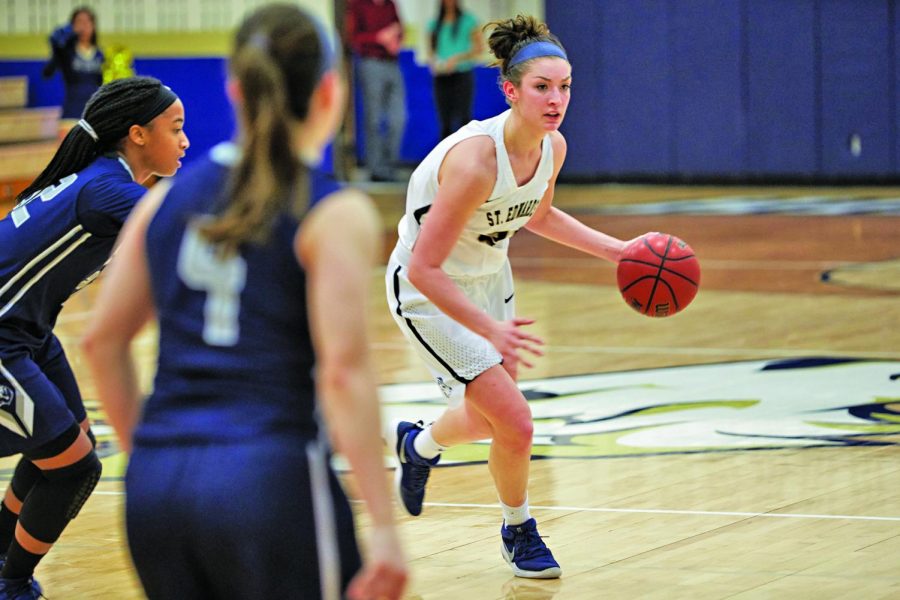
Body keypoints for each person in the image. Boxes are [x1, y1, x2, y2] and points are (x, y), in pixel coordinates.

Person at [81, 5, 407, 600]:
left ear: (234, 89)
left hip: (159, 488)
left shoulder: (162, 202)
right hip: (268, 477)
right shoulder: (332, 209)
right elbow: (343, 373)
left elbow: (102, 342)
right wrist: (384, 527)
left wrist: (151, 457)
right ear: (330, 92)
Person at [385, 15, 640, 579]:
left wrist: (617, 250)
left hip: (487, 282)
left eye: (565, 86)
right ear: (510, 90)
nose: (556, 99)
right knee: (517, 423)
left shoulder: (553, 148)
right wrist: (491, 330)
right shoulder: (476, 161)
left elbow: (539, 214)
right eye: (542, 87)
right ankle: (518, 529)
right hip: (428, 292)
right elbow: (425, 267)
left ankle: (419, 446)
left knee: (487, 423)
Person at [0, 75, 187, 599]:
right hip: (4, 337)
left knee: (63, 446)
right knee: (75, 467)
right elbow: (185, 230)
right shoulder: (107, 189)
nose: (186, 140)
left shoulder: (100, 180)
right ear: (138, 134)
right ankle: (10, 586)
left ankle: (1, 566)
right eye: (176, 128)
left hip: (27, 333)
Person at [346, 0, 406, 181]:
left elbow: (399, 29)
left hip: (392, 62)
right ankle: (376, 169)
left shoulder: (390, 5)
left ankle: (389, 165)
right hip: (370, 62)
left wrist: (396, 39)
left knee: (399, 118)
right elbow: (353, 38)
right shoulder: (358, 5)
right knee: (373, 118)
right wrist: (379, 37)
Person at [428, 0, 483, 139]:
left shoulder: (468, 21)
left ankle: (465, 156)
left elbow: (479, 48)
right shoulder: (435, 23)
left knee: (464, 119)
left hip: (462, 74)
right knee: (445, 121)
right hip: (441, 76)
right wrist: (434, 63)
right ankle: (445, 157)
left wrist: (458, 58)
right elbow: (431, 51)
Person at [42, 6, 104, 120]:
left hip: (93, 113)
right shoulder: (66, 52)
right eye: (79, 22)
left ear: (93, 26)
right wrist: (57, 50)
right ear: (72, 26)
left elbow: (102, 83)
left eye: (87, 22)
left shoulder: (100, 54)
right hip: (72, 112)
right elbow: (46, 73)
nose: (83, 27)